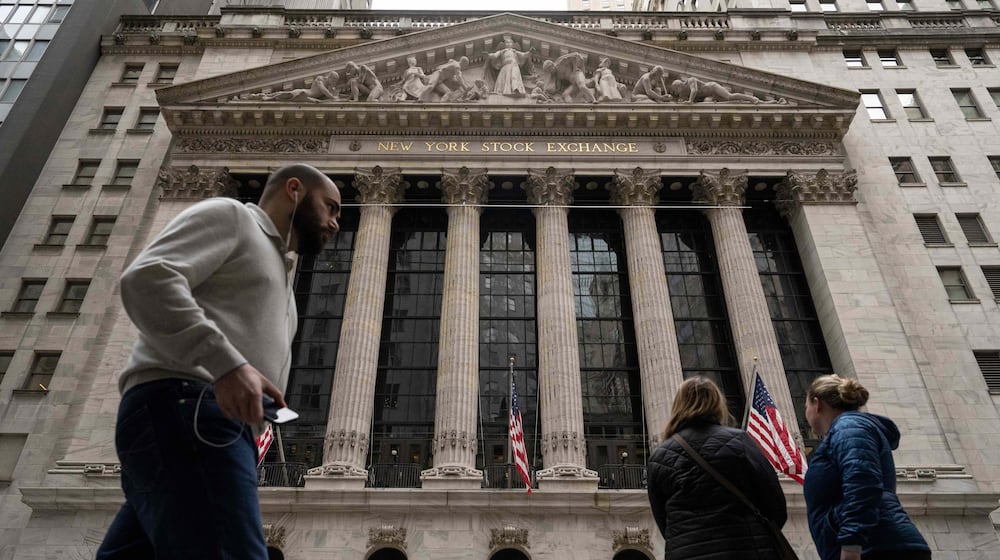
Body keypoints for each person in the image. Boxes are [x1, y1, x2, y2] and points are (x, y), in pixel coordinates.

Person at [96, 164, 341, 560]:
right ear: (294, 190)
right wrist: (227, 364)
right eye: (330, 207)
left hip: (211, 425)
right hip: (191, 407)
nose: (335, 223)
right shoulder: (233, 216)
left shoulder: (283, 278)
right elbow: (147, 279)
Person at [646, 376, 788, 559]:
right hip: (747, 549)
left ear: (677, 406)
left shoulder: (659, 458)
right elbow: (775, 505)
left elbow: (663, 522)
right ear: (717, 403)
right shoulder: (741, 442)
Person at [803, 375, 931, 560]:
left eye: (806, 406)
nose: (806, 413)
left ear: (817, 404)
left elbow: (862, 482)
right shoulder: (846, 430)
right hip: (875, 545)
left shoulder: (848, 427)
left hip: (876, 549)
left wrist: (852, 545)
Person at [246, 71, 339, 102]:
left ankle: (267, 97)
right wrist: (333, 98)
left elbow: (332, 92)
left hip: (309, 97)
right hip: (304, 93)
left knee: (284, 96)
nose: (335, 82)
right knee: (286, 95)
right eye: (334, 80)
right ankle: (265, 97)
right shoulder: (320, 79)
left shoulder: (329, 85)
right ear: (330, 77)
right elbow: (323, 90)